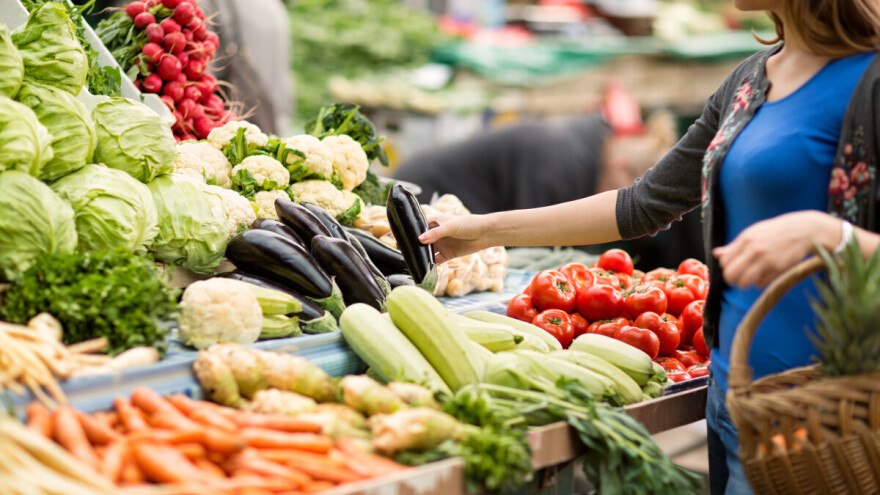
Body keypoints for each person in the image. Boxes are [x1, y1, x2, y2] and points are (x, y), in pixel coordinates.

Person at [417, 1, 880, 493]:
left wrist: (832, 235)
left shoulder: (869, 82)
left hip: (832, 411)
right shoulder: (749, 81)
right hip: (735, 398)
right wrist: (483, 230)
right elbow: (642, 203)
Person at [393, 108, 706, 268]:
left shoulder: (579, 151)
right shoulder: (558, 162)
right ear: (620, 164)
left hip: (461, 212)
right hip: (418, 198)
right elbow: (532, 244)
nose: (626, 200)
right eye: (631, 189)